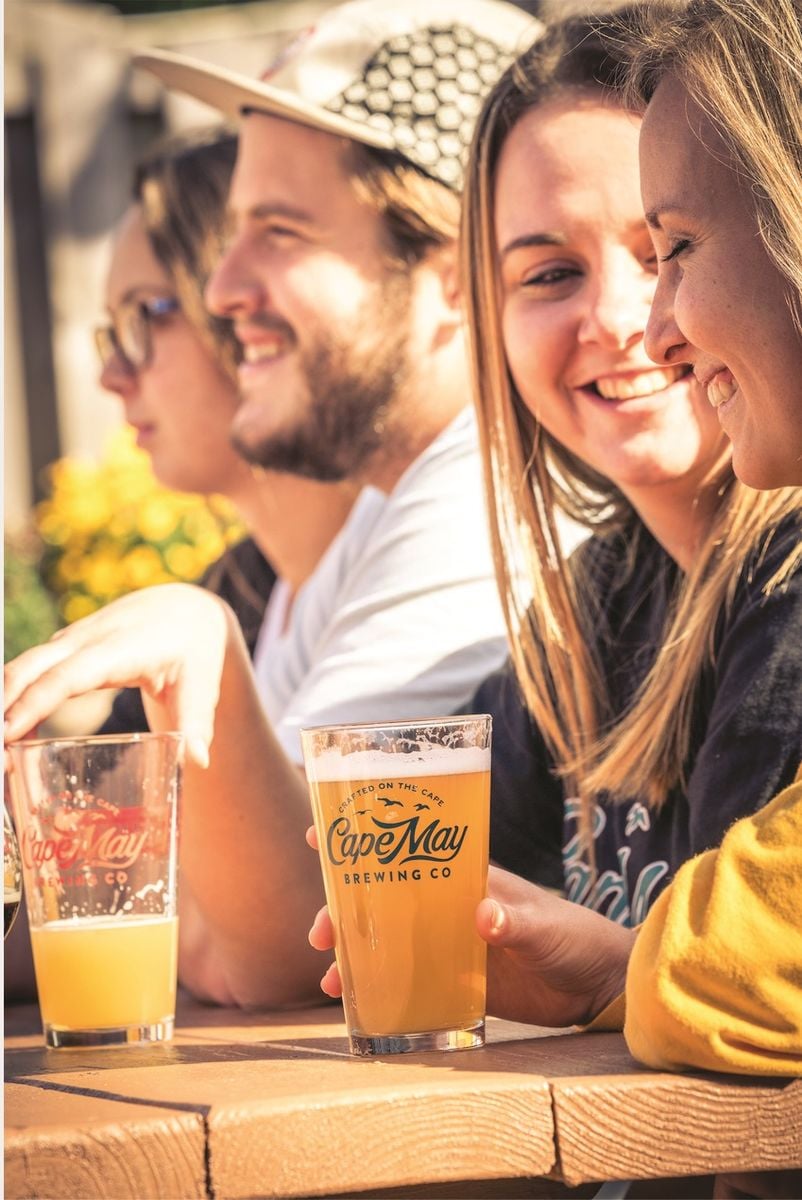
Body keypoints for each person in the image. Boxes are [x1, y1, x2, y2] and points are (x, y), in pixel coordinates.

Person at [3, 0, 539, 1010]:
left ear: (456, 267)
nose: (223, 289)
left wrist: (196, 642)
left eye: (279, 232)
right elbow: (186, 907)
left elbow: (274, 940)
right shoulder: (392, 515)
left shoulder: (491, 493)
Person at [309, 3, 802, 1081]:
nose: (633, 318)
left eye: (665, 245)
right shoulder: (597, 603)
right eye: (546, 274)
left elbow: (747, 1015)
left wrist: (615, 977)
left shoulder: (789, 584)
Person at [96, 126, 357, 735]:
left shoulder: (409, 572)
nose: (111, 375)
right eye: (112, 332)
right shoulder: (236, 593)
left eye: (142, 317)